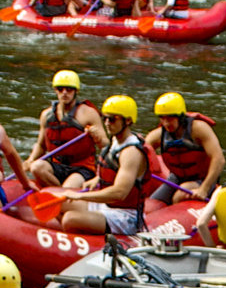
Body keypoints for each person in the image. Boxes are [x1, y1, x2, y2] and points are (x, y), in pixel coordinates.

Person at [53, 95, 154, 239]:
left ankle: (91, 242)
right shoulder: (115, 141)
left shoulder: (131, 152)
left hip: (125, 217)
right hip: (106, 207)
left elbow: (119, 193)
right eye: (105, 118)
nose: (107, 123)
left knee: (70, 219)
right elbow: (111, 170)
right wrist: (97, 179)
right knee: (58, 205)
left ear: (128, 120)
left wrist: (80, 196)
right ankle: (86, 234)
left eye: (112, 119)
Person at [26, 70, 102, 188]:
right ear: (55, 90)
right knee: (36, 167)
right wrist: (30, 160)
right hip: (59, 166)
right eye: (60, 89)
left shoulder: (89, 113)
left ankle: (62, 192)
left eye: (69, 89)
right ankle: (58, 191)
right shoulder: (46, 115)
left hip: (82, 168)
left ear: (76, 91)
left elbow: (106, 146)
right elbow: (41, 146)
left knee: (68, 187)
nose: (64, 93)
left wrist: (97, 137)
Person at [146, 92, 224, 201]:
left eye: (170, 118)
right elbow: (141, 152)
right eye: (162, 118)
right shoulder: (158, 135)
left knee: (179, 196)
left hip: (202, 179)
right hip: (176, 178)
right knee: (153, 201)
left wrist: (204, 189)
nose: (166, 123)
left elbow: (219, 159)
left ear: (180, 117)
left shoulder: (198, 129)